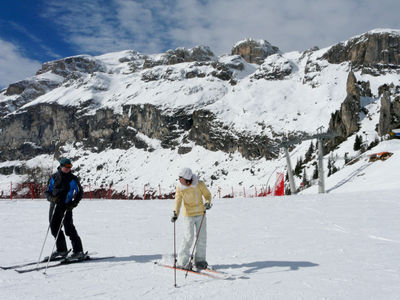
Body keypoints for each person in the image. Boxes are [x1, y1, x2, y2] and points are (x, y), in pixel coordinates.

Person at [171, 167, 212, 270]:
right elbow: (178, 201)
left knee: (201, 237)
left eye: (181, 178)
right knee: (188, 237)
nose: (179, 179)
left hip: (200, 214)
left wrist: (207, 202)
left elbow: (207, 195)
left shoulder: (199, 184)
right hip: (188, 215)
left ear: (186, 178)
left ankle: (200, 261)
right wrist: (176, 213)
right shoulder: (180, 187)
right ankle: (182, 261)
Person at [45, 157, 84, 260]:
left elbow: (80, 192)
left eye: (70, 167)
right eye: (66, 167)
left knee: (69, 228)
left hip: (67, 206)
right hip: (55, 206)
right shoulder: (54, 177)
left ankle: (78, 251)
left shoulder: (73, 179)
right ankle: (61, 250)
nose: (68, 168)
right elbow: (47, 191)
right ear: (61, 166)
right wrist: (51, 199)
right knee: (54, 228)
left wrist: (74, 203)